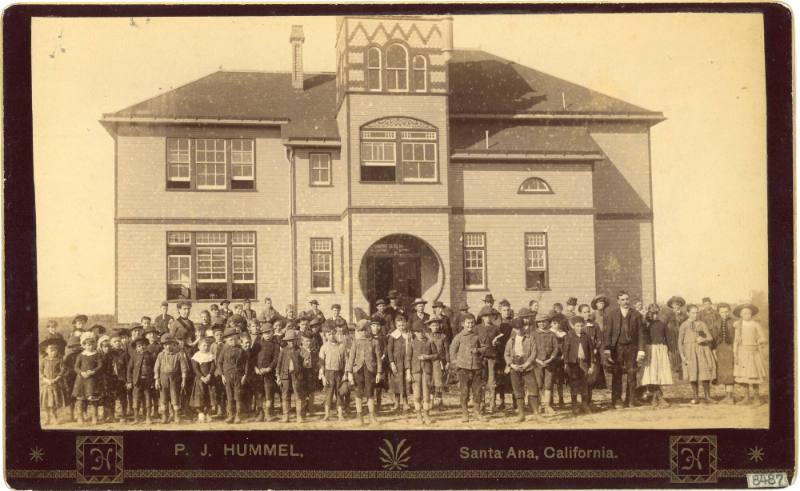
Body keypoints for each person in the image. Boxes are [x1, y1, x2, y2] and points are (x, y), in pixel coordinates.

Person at [603, 291, 646, 409]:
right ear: (618, 301)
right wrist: (607, 349)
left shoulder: (636, 314)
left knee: (632, 374)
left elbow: (641, 334)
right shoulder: (612, 314)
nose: (625, 302)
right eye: (622, 299)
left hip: (632, 347)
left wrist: (641, 350)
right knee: (617, 374)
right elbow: (608, 333)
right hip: (617, 348)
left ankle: (631, 400)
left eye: (627, 299)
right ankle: (617, 400)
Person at [449, 313, 488, 422]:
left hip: (476, 367)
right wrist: (457, 364)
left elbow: (485, 348)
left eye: (472, 323)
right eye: (468, 323)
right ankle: (465, 413)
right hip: (463, 369)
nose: (470, 325)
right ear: (463, 324)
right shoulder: (459, 337)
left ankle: (477, 412)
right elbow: (452, 351)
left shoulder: (477, 336)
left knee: (477, 391)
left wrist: (478, 350)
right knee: (464, 391)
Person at [346, 319, 382, 425]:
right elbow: (351, 358)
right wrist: (349, 373)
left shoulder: (374, 342)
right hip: (358, 370)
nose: (361, 333)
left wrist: (379, 372)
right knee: (358, 393)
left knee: (370, 393)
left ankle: (372, 417)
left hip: (370, 370)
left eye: (363, 330)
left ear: (368, 330)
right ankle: (359, 417)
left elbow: (379, 359)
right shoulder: (356, 342)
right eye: (359, 331)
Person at [503, 318, 539, 422]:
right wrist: (511, 365)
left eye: (521, 327)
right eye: (517, 328)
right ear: (514, 329)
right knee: (518, 390)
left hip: (527, 366)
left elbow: (534, 352)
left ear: (524, 327)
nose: (519, 330)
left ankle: (536, 413)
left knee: (533, 388)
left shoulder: (530, 338)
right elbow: (506, 354)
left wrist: (527, 364)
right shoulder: (511, 341)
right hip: (515, 366)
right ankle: (521, 414)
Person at [679, 304, 717, 404]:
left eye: (696, 313)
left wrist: (703, 339)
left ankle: (707, 397)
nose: (695, 315)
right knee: (693, 373)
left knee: (704, 373)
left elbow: (710, 337)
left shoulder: (702, 324)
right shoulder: (684, 325)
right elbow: (679, 342)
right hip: (689, 351)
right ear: (688, 313)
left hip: (701, 350)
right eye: (693, 313)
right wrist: (682, 356)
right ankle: (695, 397)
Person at [733, 304, 768, 405]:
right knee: (743, 375)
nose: (747, 315)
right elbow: (736, 340)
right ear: (741, 315)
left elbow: (763, 338)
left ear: (751, 314)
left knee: (754, 375)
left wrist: (758, 341)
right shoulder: (738, 325)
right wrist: (735, 353)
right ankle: (746, 397)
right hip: (742, 352)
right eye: (744, 313)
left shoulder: (755, 324)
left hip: (753, 352)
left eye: (748, 313)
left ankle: (757, 398)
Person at [639, 304, 673, 408]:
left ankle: (656, 398)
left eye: (656, 313)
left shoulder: (662, 324)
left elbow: (668, 338)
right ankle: (659, 398)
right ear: (649, 313)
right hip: (650, 350)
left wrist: (669, 351)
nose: (654, 316)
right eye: (652, 313)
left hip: (661, 350)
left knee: (658, 374)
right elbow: (642, 337)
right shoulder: (645, 325)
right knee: (652, 374)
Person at [154, 333, 189, 424]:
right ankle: (164, 416)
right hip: (163, 379)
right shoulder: (160, 355)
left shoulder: (178, 355)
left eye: (170, 344)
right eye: (165, 345)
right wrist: (157, 380)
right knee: (163, 397)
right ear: (163, 346)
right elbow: (156, 368)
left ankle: (176, 416)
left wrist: (184, 380)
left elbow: (183, 368)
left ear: (174, 344)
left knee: (175, 397)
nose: (168, 346)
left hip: (175, 379)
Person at [406, 324, 438, 425]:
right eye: (418, 332)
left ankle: (426, 415)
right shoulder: (411, 344)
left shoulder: (430, 343)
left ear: (425, 332)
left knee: (426, 393)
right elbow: (408, 359)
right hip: (415, 371)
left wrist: (427, 357)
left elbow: (436, 355)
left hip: (427, 371)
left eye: (422, 332)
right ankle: (418, 415)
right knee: (417, 394)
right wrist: (408, 372)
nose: (420, 334)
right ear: (415, 333)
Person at [562, 317, 594, 415]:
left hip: (584, 363)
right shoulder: (569, 337)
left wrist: (592, 365)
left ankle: (584, 404)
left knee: (585, 384)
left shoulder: (587, 337)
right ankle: (574, 405)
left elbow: (591, 352)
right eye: (577, 326)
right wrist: (566, 364)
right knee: (574, 384)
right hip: (573, 364)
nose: (579, 328)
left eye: (581, 326)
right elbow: (566, 351)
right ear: (573, 327)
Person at [577, 304, 605, 406]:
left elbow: (600, 339)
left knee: (591, 378)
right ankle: (581, 402)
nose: (587, 313)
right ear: (580, 313)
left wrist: (596, 349)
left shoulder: (595, 325)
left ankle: (588, 401)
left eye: (588, 311)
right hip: (582, 355)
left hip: (593, 355)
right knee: (581, 377)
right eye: (584, 312)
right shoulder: (578, 325)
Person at [72, 332, 103, 425]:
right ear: (84, 345)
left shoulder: (97, 355)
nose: (90, 347)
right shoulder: (81, 355)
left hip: (92, 380)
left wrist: (93, 371)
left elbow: (100, 365)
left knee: (93, 400)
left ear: (94, 344)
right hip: (81, 379)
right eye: (88, 345)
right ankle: (80, 418)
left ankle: (94, 418)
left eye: (92, 344)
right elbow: (76, 367)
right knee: (80, 400)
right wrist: (81, 373)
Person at [218, 327, 248, 423]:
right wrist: (222, 375)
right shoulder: (224, 349)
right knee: (230, 396)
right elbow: (219, 362)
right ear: (226, 340)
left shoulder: (241, 350)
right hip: (227, 376)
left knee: (238, 396)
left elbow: (246, 363)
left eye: (235, 339)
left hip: (238, 375)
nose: (233, 341)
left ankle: (238, 416)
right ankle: (231, 416)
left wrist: (245, 375)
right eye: (230, 339)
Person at [475, 306, 502, 414]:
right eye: (486, 316)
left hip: (492, 358)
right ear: (482, 317)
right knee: (481, 381)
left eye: (490, 316)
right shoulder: (477, 328)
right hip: (480, 358)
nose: (488, 318)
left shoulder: (496, 328)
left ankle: (492, 404)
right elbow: (473, 342)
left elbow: (500, 344)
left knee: (492, 382)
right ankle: (482, 404)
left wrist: (497, 343)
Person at [319, 325, 347, 421]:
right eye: (329, 334)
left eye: (333, 333)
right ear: (326, 336)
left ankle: (340, 414)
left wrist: (345, 374)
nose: (331, 336)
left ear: (336, 334)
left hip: (339, 373)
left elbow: (345, 361)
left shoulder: (341, 346)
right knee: (328, 394)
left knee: (339, 394)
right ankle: (327, 414)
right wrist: (322, 376)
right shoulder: (324, 347)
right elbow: (321, 363)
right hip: (328, 373)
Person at [276, 329, 305, 423]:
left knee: (298, 395)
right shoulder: (283, 351)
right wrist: (278, 376)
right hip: (285, 376)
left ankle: (299, 416)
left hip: (297, 376)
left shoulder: (300, 350)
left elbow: (305, 364)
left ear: (296, 340)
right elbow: (279, 364)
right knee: (285, 396)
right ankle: (286, 416)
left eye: (292, 340)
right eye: (288, 340)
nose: (290, 342)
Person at [386, 315, 412, 413]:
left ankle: (405, 402)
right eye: (399, 325)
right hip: (396, 362)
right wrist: (392, 362)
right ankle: (396, 402)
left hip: (406, 361)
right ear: (396, 325)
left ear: (405, 324)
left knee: (405, 382)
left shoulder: (408, 335)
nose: (401, 327)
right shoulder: (393, 336)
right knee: (396, 382)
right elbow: (389, 350)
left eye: (402, 325)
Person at [39, 338, 68, 425]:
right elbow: (40, 371)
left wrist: (56, 379)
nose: (53, 352)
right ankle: (47, 418)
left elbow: (62, 371)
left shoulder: (59, 360)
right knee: (46, 402)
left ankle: (55, 417)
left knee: (54, 402)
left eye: (55, 350)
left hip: (55, 384)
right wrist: (45, 379)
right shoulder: (44, 360)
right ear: (46, 351)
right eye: (51, 350)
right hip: (46, 384)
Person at [712, 303, 737, 403]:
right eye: (722, 312)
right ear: (718, 312)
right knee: (723, 372)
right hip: (720, 349)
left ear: (729, 311)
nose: (725, 314)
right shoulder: (716, 323)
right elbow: (713, 337)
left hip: (731, 348)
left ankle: (730, 397)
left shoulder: (734, 322)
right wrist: (713, 349)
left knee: (730, 371)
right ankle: (727, 396)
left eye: (726, 311)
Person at [126, 337, 154, 424]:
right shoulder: (134, 357)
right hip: (137, 382)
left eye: (143, 345)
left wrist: (153, 381)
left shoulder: (150, 356)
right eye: (139, 346)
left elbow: (154, 369)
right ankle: (136, 418)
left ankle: (148, 417)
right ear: (136, 348)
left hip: (147, 381)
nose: (141, 347)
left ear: (146, 346)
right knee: (136, 398)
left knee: (148, 398)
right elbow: (129, 369)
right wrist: (129, 381)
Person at [189, 337, 217, 423]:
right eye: (204, 345)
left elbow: (213, 366)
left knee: (209, 396)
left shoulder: (210, 355)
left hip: (209, 379)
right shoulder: (196, 356)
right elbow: (195, 369)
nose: (206, 347)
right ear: (199, 346)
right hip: (200, 380)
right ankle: (200, 414)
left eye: (207, 345)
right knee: (200, 396)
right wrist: (202, 377)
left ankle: (208, 413)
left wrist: (209, 375)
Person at [494, 300, 514, 411]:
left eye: (508, 310)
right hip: (500, 354)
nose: (506, 312)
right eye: (504, 310)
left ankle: (515, 402)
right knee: (500, 377)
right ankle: (501, 402)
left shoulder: (513, 323)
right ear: (500, 311)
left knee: (513, 377)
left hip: (510, 353)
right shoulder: (496, 323)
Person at [105, 335, 129, 422]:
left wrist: (127, 380)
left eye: (119, 341)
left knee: (123, 397)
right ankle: (112, 415)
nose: (117, 343)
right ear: (111, 344)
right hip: (112, 379)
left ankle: (124, 415)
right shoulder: (109, 354)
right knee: (112, 397)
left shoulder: (124, 353)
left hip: (121, 379)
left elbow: (127, 367)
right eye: (115, 342)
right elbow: (106, 367)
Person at [427, 317, 450, 411]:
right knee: (430, 381)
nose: (435, 327)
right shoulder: (427, 336)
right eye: (433, 325)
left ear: (439, 326)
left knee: (439, 382)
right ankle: (431, 402)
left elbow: (447, 350)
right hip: (429, 362)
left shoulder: (443, 336)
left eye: (436, 325)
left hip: (440, 362)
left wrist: (448, 361)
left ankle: (439, 403)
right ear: (429, 326)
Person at [369, 319, 389, 413]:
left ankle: (379, 404)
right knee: (371, 383)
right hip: (372, 363)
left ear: (380, 327)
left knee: (379, 384)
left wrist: (383, 356)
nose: (375, 328)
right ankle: (371, 403)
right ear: (370, 327)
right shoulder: (369, 337)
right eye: (373, 326)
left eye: (377, 326)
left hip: (381, 363)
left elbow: (386, 348)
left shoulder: (383, 337)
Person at [665, 296, 687, 377]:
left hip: (681, 335)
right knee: (673, 351)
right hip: (671, 335)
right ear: (671, 306)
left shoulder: (684, 315)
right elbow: (665, 325)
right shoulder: (668, 315)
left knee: (681, 350)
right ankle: (675, 368)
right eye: (674, 304)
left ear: (680, 305)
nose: (676, 306)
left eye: (678, 304)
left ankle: (682, 368)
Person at [63, 335, 82, 422]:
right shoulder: (69, 356)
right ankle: (71, 414)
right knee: (71, 396)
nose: (75, 348)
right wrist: (67, 375)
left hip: (80, 377)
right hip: (71, 378)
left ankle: (81, 414)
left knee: (81, 396)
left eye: (77, 345)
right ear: (71, 347)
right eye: (73, 346)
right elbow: (65, 368)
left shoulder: (82, 354)